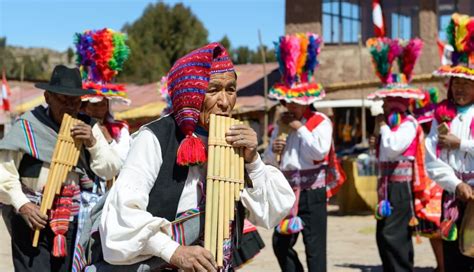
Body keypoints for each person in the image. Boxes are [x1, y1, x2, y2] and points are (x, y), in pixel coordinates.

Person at [93, 42, 295, 271]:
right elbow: (122, 213)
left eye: (231, 89)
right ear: (190, 94)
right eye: (213, 90)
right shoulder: (154, 138)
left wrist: (253, 162)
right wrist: (174, 252)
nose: (225, 102)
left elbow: (271, 212)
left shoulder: (234, 140)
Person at [0, 65, 122, 272]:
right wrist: (23, 205)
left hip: (72, 220)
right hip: (31, 217)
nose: (69, 106)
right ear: (48, 97)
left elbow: (110, 169)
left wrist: (92, 142)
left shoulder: (89, 127)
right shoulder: (27, 126)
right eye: (62, 99)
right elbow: (3, 172)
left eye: (75, 101)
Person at [263, 33, 345, 272]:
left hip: (313, 193)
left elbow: (318, 153)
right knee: (280, 243)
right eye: (287, 102)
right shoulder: (280, 125)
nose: (290, 107)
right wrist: (273, 149)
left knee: (315, 249)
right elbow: (270, 161)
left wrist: (299, 128)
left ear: (306, 101)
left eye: (295, 102)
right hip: (287, 193)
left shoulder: (319, 121)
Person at [366, 37, 430, 272]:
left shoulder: (409, 123)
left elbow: (393, 147)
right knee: (383, 235)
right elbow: (384, 153)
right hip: (386, 185)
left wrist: (382, 127)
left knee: (395, 235)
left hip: (400, 187)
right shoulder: (392, 126)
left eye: (387, 101)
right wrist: (377, 139)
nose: (383, 105)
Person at [426, 13, 474, 272]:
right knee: (454, 262)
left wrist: (462, 144)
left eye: (466, 83)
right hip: (453, 196)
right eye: (456, 83)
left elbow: (459, 146)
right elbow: (431, 159)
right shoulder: (442, 115)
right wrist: (455, 184)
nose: (460, 89)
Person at [75, 28, 132, 164]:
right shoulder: (74, 126)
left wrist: (108, 138)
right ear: (83, 107)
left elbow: (122, 162)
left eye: (101, 105)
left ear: (108, 106)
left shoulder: (120, 130)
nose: (96, 110)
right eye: (92, 105)